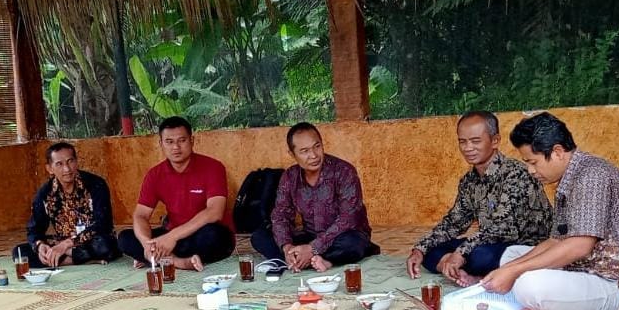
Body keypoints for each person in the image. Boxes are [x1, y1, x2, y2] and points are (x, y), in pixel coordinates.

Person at [481, 112, 619, 310]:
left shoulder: (592, 176)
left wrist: (514, 271)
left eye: (533, 162)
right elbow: (556, 240)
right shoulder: (570, 177)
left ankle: (553, 307)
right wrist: (509, 269)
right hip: (588, 268)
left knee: (529, 284)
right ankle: (555, 308)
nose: (531, 170)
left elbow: (579, 247)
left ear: (557, 152)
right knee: (511, 255)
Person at [406, 111, 552, 286]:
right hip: (489, 242)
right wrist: (419, 250)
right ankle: (456, 270)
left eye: (475, 141)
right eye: (462, 141)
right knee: (432, 250)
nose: (468, 148)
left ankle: (469, 270)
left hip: (525, 248)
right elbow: (454, 222)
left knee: (480, 256)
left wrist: (461, 253)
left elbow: (502, 229)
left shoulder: (516, 174)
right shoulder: (469, 180)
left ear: (495, 140)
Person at [252, 122, 379, 272]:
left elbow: (349, 219)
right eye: (304, 151)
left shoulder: (344, 171)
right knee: (260, 236)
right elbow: (281, 215)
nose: (313, 155)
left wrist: (312, 248)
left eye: (317, 146)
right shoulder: (290, 176)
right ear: (292, 154)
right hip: (311, 236)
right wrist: (287, 248)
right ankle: (299, 258)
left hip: (342, 236)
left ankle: (318, 260)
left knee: (353, 244)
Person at [118, 116, 234, 271]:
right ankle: (178, 262)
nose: (176, 147)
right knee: (125, 238)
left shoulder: (213, 167)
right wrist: (147, 244)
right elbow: (140, 215)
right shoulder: (155, 174)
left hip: (202, 235)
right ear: (161, 144)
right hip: (173, 237)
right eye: (169, 142)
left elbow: (215, 212)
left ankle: (157, 259)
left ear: (192, 141)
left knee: (214, 235)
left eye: (182, 140)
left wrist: (171, 237)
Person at [12, 142, 119, 268]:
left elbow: (102, 224)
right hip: (61, 243)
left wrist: (67, 245)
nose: (67, 169)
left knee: (105, 245)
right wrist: (40, 245)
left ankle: (63, 260)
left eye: (70, 161)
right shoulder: (45, 193)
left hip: (90, 241)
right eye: (59, 164)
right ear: (49, 169)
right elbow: (34, 229)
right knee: (19, 253)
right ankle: (76, 259)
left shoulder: (96, 184)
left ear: (76, 162)